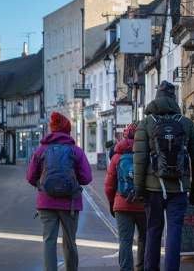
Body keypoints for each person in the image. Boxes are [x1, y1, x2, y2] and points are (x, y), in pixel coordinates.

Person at [133, 81, 194, 271]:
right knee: (174, 233)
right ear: (174, 99)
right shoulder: (187, 124)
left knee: (153, 231)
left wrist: (138, 187)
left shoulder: (146, 124)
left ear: (157, 98)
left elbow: (139, 159)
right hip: (179, 188)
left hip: (152, 189)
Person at [27, 112, 93, 271]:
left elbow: (30, 177)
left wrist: (42, 184)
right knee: (70, 241)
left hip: (46, 202)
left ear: (52, 129)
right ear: (68, 131)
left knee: (49, 241)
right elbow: (86, 178)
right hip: (70, 204)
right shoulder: (76, 151)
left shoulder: (41, 150)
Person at [105, 122, 146, 271]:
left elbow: (109, 185)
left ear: (125, 135)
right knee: (144, 239)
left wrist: (111, 202)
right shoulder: (146, 154)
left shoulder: (117, 157)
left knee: (125, 241)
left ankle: (126, 269)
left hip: (122, 205)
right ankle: (141, 267)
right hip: (143, 204)